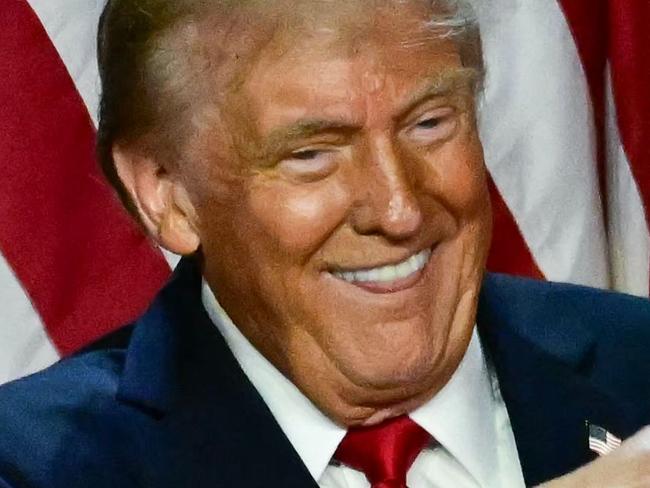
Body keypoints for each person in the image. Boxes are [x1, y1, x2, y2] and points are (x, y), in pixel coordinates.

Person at [0, 0, 649, 487]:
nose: (398, 209)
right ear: (167, 192)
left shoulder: (639, 364)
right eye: (312, 154)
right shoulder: (38, 463)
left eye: (429, 123)